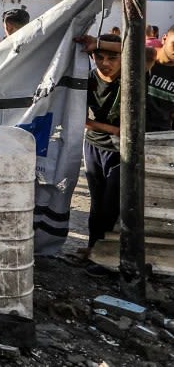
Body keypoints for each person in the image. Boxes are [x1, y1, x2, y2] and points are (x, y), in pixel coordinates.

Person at [80, 34, 123, 260]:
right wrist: (114, 130)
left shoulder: (134, 76)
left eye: (112, 57)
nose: (105, 63)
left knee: (112, 204)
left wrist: (97, 43)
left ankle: (106, 254)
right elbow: (80, 117)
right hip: (95, 146)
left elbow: (135, 47)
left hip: (121, 151)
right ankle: (93, 248)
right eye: (99, 57)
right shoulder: (87, 79)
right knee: (97, 202)